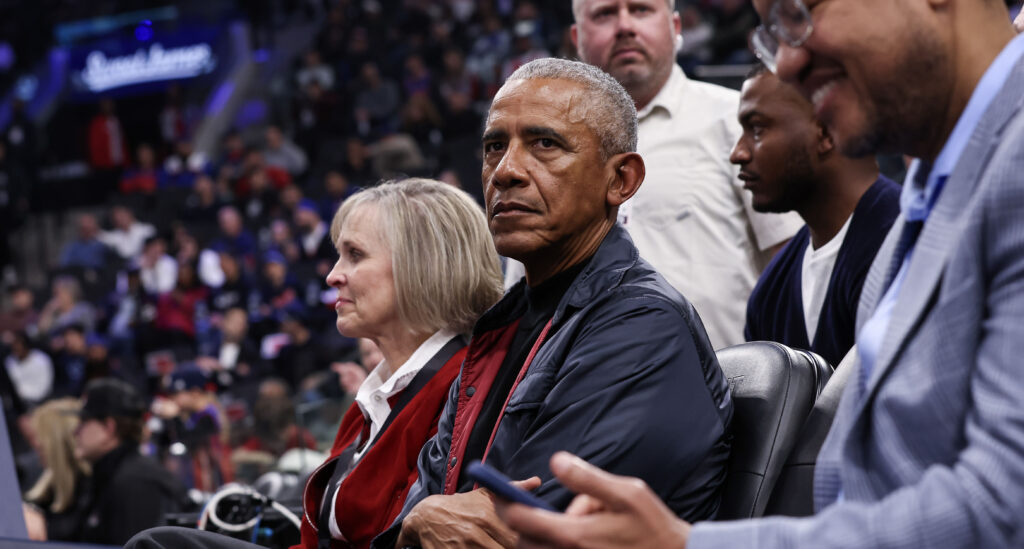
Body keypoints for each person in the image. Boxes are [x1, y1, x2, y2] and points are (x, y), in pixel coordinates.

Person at [496, 0, 1024, 547]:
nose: (788, 62)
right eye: (774, 28)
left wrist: (685, 545)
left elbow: (1003, 509)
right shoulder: (934, 189)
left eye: (802, 11)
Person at [376, 58, 731, 549]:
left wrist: (425, 520)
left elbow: (524, 533)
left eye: (545, 144)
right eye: (494, 147)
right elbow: (420, 515)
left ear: (621, 180)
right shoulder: (498, 326)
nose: (505, 172)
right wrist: (423, 520)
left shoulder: (642, 327)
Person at [126, 178, 504, 549]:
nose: (332, 275)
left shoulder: (462, 391)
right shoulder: (371, 403)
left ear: (421, 266)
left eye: (355, 255)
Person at [568, 0, 802, 349]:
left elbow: (795, 265)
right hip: (587, 394)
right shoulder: (553, 147)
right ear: (577, 37)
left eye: (641, 9)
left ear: (676, 27)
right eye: (604, 14)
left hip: (728, 392)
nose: (624, 26)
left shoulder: (737, 119)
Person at [735, 66, 900, 366]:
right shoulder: (771, 291)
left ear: (825, 131)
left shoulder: (906, 242)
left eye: (757, 129)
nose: (738, 153)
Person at [74, 378, 187, 545]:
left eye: (84, 421)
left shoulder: (134, 482)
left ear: (108, 428)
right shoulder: (113, 472)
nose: (75, 431)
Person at [21, 398, 92, 542]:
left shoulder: (90, 487)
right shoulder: (48, 486)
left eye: (40, 435)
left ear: (58, 440)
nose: (36, 444)